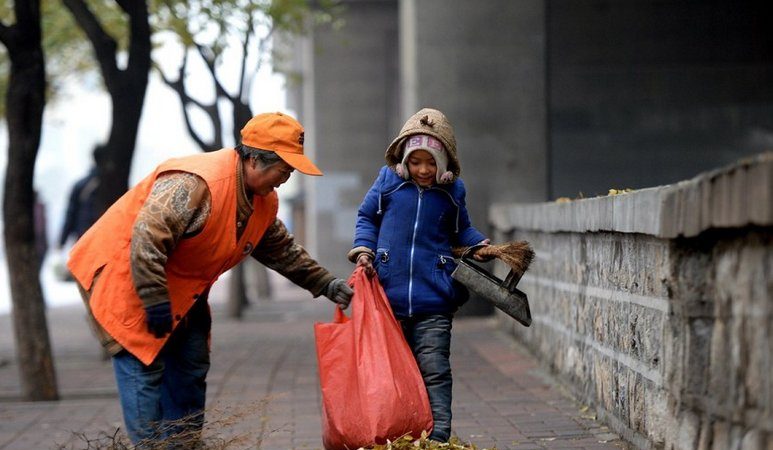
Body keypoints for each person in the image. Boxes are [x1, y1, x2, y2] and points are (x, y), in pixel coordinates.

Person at [67, 112, 353, 448]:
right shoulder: (195, 184)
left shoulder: (262, 200)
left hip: (182, 291)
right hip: (128, 280)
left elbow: (281, 250)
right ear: (255, 160)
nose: (287, 177)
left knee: (190, 364)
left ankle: (182, 443)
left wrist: (327, 284)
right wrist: (154, 299)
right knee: (145, 372)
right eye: (285, 168)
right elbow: (146, 238)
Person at [348, 108, 489, 443]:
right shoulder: (388, 183)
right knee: (392, 373)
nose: (423, 170)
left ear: (444, 164)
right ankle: (397, 434)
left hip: (434, 302)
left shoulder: (453, 193)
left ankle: (438, 436)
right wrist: (364, 251)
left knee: (435, 371)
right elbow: (367, 217)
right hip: (389, 302)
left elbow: (461, 231)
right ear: (404, 161)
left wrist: (479, 245)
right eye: (416, 162)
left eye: (431, 162)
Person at [59, 145, 104, 250]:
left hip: (82, 240)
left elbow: (70, 215)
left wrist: (61, 242)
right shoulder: (114, 187)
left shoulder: (80, 185)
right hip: (104, 242)